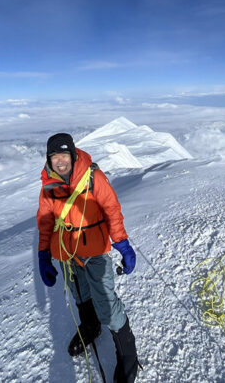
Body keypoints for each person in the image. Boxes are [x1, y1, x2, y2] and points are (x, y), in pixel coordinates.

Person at [36, 132, 139, 383]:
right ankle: (90, 327)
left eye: (63, 155)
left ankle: (128, 357)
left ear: (72, 154)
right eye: (54, 156)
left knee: (106, 301)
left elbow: (112, 210)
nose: (60, 161)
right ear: (49, 159)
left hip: (95, 251)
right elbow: (46, 220)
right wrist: (43, 254)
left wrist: (122, 244)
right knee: (79, 293)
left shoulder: (93, 177)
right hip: (67, 252)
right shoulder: (49, 184)